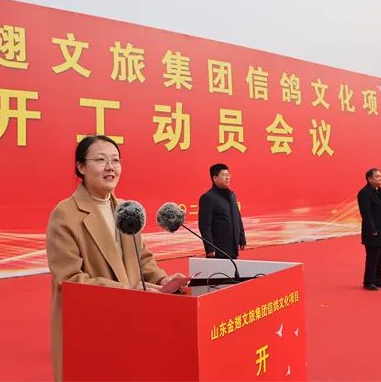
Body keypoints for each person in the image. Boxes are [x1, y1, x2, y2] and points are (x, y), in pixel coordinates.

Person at [46, 135, 185, 382]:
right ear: (81, 167)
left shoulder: (126, 210)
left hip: (130, 320)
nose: (110, 167)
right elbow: (69, 279)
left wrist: (163, 280)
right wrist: (126, 292)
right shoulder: (65, 214)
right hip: (92, 325)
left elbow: (142, 258)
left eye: (115, 160)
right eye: (101, 160)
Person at [198, 163, 246, 259]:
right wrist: (209, 248)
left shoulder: (232, 195)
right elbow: (204, 226)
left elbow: (237, 218)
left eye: (228, 175)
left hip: (233, 247)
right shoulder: (208, 197)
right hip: (218, 249)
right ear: (215, 178)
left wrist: (242, 239)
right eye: (224, 175)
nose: (227, 178)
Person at [357, 168, 381, 291]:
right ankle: (369, 281)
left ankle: (378, 279)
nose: (380, 178)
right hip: (373, 231)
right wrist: (372, 229)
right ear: (369, 178)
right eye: (377, 176)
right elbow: (366, 214)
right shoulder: (364, 193)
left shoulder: (380, 190)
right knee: (373, 257)